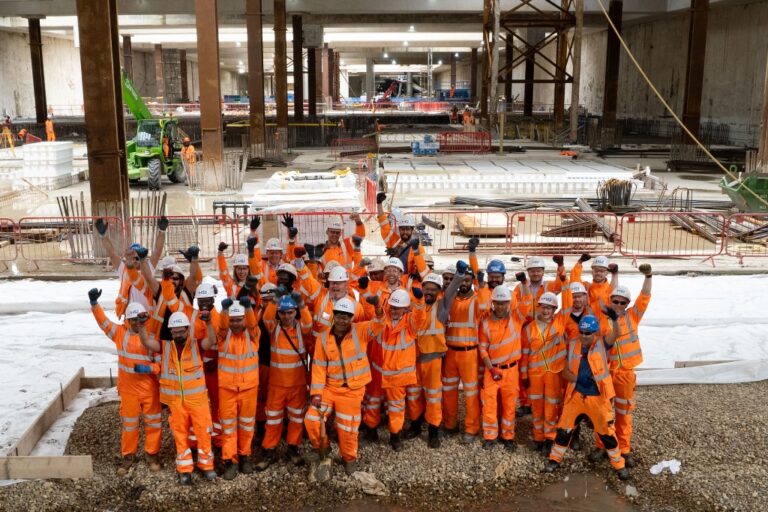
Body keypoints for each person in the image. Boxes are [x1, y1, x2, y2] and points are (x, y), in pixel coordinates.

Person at [304, 296, 385, 476]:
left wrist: (378, 307)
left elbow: (379, 323)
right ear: (334, 316)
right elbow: (317, 366)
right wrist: (316, 393)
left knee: (347, 428)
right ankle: (323, 449)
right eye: (339, 316)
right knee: (312, 420)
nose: (342, 320)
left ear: (351, 318)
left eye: (346, 316)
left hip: (353, 391)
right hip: (329, 388)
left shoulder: (361, 331)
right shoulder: (324, 338)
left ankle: (349, 458)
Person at [545, 315, 629, 480]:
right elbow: (565, 371)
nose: (584, 336)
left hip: (598, 399)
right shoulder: (572, 345)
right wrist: (577, 379)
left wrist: (615, 318)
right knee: (564, 430)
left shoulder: (602, 344)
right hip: (576, 396)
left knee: (607, 434)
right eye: (581, 332)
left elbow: (617, 333)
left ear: (595, 333)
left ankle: (619, 466)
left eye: (588, 333)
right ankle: (554, 460)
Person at [137, 311, 216, 485]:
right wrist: (142, 326)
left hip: (198, 400)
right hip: (177, 402)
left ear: (188, 330)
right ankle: (184, 469)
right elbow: (146, 341)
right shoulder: (165, 347)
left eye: (181, 331)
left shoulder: (197, 345)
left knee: (203, 433)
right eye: (175, 332)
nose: (178, 335)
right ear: (171, 332)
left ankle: (207, 466)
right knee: (180, 436)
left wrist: (209, 323)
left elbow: (212, 340)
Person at [89, 292, 161, 475]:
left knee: (153, 423)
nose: (137, 323)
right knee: (130, 425)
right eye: (133, 320)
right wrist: (95, 304)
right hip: (129, 391)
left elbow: (162, 364)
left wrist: (150, 369)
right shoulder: (120, 333)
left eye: (139, 319)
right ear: (128, 320)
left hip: (149, 390)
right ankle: (128, 457)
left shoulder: (152, 336)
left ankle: (151, 455)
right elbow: (104, 324)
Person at [590, 264, 653, 468]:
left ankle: (624, 449)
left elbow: (644, 296)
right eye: (615, 301)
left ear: (626, 304)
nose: (617, 304)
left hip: (625, 374)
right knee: (604, 413)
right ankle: (603, 446)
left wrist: (648, 275)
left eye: (622, 302)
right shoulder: (602, 320)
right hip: (606, 373)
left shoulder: (632, 316)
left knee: (624, 414)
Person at [202, 298, 260, 480]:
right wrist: (225, 312)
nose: (236, 324)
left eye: (239, 320)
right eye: (233, 320)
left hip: (249, 389)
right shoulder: (223, 337)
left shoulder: (253, 336)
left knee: (247, 426)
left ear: (244, 320)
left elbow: (253, 324)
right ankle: (230, 461)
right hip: (227, 389)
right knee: (228, 428)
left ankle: (245, 456)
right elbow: (221, 327)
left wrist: (249, 308)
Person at [257, 293, 312, 470]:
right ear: (278, 314)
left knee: (296, 418)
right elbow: (266, 316)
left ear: (295, 312)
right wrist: (274, 301)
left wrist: (302, 304)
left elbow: (309, 323)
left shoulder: (301, 328)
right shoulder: (274, 327)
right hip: (277, 384)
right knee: (272, 419)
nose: (286, 316)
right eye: (282, 313)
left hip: (297, 383)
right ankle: (269, 450)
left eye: (289, 312)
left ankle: (293, 448)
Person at [478, 274, 531, 451]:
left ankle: (508, 436)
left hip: (511, 371)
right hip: (492, 371)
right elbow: (483, 348)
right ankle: (490, 436)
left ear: (509, 303)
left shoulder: (516, 319)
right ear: (493, 303)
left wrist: (524, 284)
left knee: (509, 406)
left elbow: (526, 304)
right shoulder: (485, 322)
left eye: (504, 303)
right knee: (489, 405)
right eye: (498, 303)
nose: (501, 307)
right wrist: (490, 369)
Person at [442, 260, 487, 443]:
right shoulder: (450, 298)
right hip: (450, 353)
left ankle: (471, 428)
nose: (464, 283)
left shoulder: (477, 300)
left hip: (469, 353)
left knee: (470, 394)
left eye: (468, 280)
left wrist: (482, 286)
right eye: (462, 280)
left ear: (473, 281)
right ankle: (450, 424)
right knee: (449, 391)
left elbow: (485, 306)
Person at [379, 288, 426, 451]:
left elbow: (420, 317)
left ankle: (406, 431)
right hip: (391, 376)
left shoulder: (410, 324)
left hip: (405, 375)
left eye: (397, 308)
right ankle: (395, 434)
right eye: (392, 307)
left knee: (406, 405)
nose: (394, 310)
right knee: (395, 408)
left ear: (406, 309)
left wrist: (420, 302)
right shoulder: (382, 321)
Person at [521, 292, 568, 455]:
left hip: (554, 373)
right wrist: (524, 376)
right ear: (538, 307)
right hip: (535, 374)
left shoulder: (560, 323)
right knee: (537, 407)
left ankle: (549, 438)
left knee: (551, 407)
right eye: (543, 307)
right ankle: (538, 438)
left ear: (555, 309)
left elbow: (568, 303)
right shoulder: (529, 329)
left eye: (549, 308)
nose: (546, 311)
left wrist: (563, 277)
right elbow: (525, 354)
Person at [94, 216, 168, 318]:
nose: (135, 260)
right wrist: (103, 235)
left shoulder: (148, 268)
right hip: (130, 317)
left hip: (148, 316)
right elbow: (111, 253)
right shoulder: (123, 269)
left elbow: (157, 251)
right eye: (132, 258)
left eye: (137, 258)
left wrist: (162, 231)